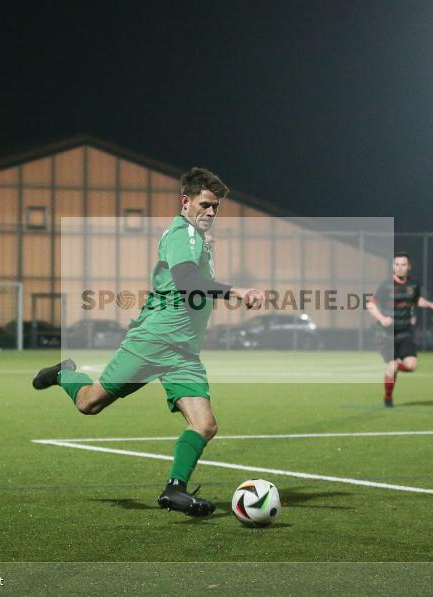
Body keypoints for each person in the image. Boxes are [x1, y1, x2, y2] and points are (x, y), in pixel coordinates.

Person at [32, 167, 265, 517]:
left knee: (205, 425)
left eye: (216, 207)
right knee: (89, 404)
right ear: (185, 202)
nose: (212, 213)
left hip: (183, 352)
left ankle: (175, 491)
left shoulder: (194, 237)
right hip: (153, 341)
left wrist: (203, 249)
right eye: (205, 205)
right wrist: (236, 292)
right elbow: (187, 280)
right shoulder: (181, 233)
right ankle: (62, 374)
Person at [367, 251, 433, 407]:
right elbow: (370, 304)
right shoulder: (386, 285)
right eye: (397, 264)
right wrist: (382, 318)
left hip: (405, 333)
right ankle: (388, 397)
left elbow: (417, 300)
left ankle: (392, 370)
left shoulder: (413, 285)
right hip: (387, 334)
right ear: (393, 266)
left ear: (409, 267)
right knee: (392, 366)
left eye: (403, 265)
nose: (399, 268)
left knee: (411, 366)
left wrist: (430, 304)